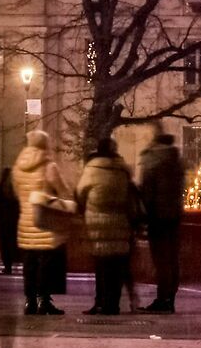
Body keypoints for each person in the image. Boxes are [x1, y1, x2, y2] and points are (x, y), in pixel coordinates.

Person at [76, 135, 136, 315]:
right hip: (119, 223)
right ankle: (113, 304)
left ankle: (99, 302)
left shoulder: (92, 169)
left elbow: (80, 193)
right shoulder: (122, 170)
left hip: (97, 224)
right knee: (116, 266)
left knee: (101, 266)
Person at [12, 129, 71, 313]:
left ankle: (29, 302)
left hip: (25, 222)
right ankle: (44, 301)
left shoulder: (17, 168)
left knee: (29, 263)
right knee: (46, 263)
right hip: (45, 220)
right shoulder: (49, 167)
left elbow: (16, 193)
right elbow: (63, 192)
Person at [136, 128, 186, 313]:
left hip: (157, 216)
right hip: (174, 215)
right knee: (172, 259)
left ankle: (162, 298)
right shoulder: (176, 160)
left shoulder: (153, 160)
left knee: (161, 260)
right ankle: (169, 298)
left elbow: (147, 190)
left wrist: (143, 215)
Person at [0, 161, 22, 273]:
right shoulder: (16, 189)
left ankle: (7, 266)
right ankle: (16, 262)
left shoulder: (0, 188)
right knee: (13, 242)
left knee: (4, 244)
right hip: (14, 220)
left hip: (3, 220)